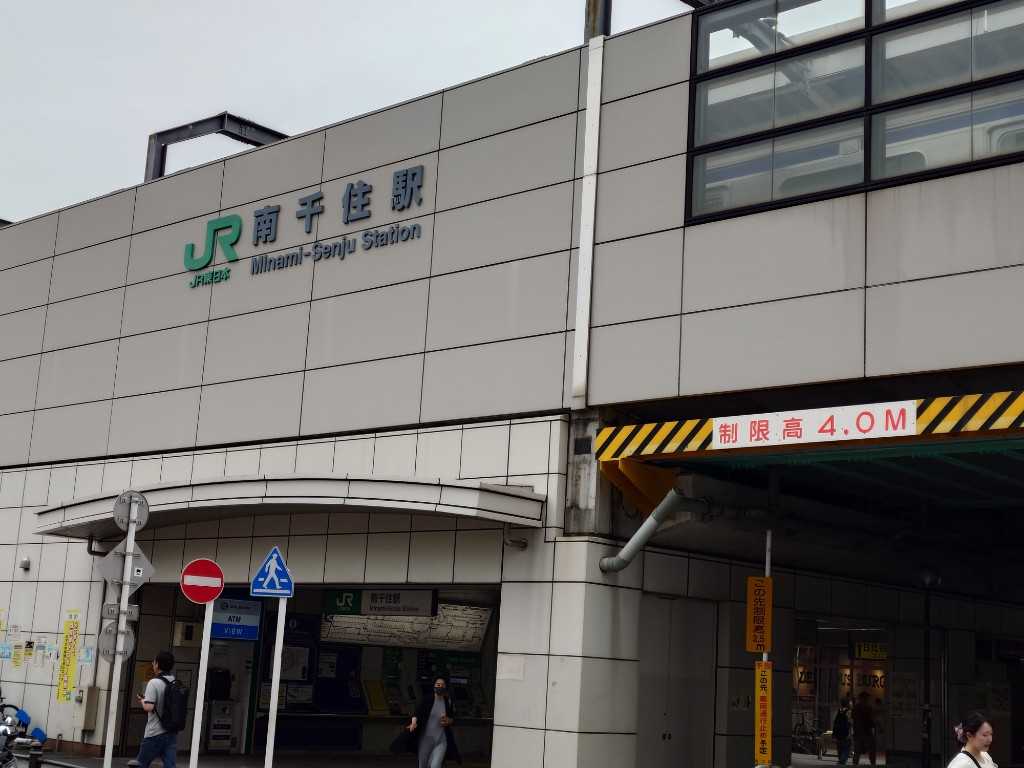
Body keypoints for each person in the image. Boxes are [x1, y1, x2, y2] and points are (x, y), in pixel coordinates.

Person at [405, 677, 461, 768]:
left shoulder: (447, 701)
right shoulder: (427, 699)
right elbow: (417, 712)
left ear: (445, 687)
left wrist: (449, 720)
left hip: (441, 740)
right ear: (434, 686)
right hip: (426, 739)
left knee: (435, 765)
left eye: (442, 685)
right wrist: (413, 723)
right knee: (423, 765)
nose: (440, 687)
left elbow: (453, 717)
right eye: (438, 684)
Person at [135, 651, 178, 768]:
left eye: (154, 662)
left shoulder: (154, 682)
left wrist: (142, 700)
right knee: (170, 766)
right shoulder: (174, 681)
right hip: (171, 732)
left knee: (140, 764)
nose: (153, 664)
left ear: (157, 664)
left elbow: (149, 707)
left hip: (154, 733)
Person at [852, 692, 877, 766]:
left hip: (859, 732)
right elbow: (871, 720)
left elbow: (854, 719)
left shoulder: (856, 708)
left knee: (857, 751)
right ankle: (872, 764)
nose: (867, 700)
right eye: (866, 698)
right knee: (871, 750)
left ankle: (855, 764)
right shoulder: (868, 708)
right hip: (866, 732)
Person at [833, 699, 852, 765]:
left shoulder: (839, 711)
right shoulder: (848, 712)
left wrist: (834, 733)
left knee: (840, 747)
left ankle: (840, 759)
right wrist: (850, 733)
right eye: (850, 703)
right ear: (847, 704)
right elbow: (850, 723)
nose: (851, 704)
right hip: (845, 732)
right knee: (846, 747)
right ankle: (842, 760)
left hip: (838, 732)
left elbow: (835, 722)